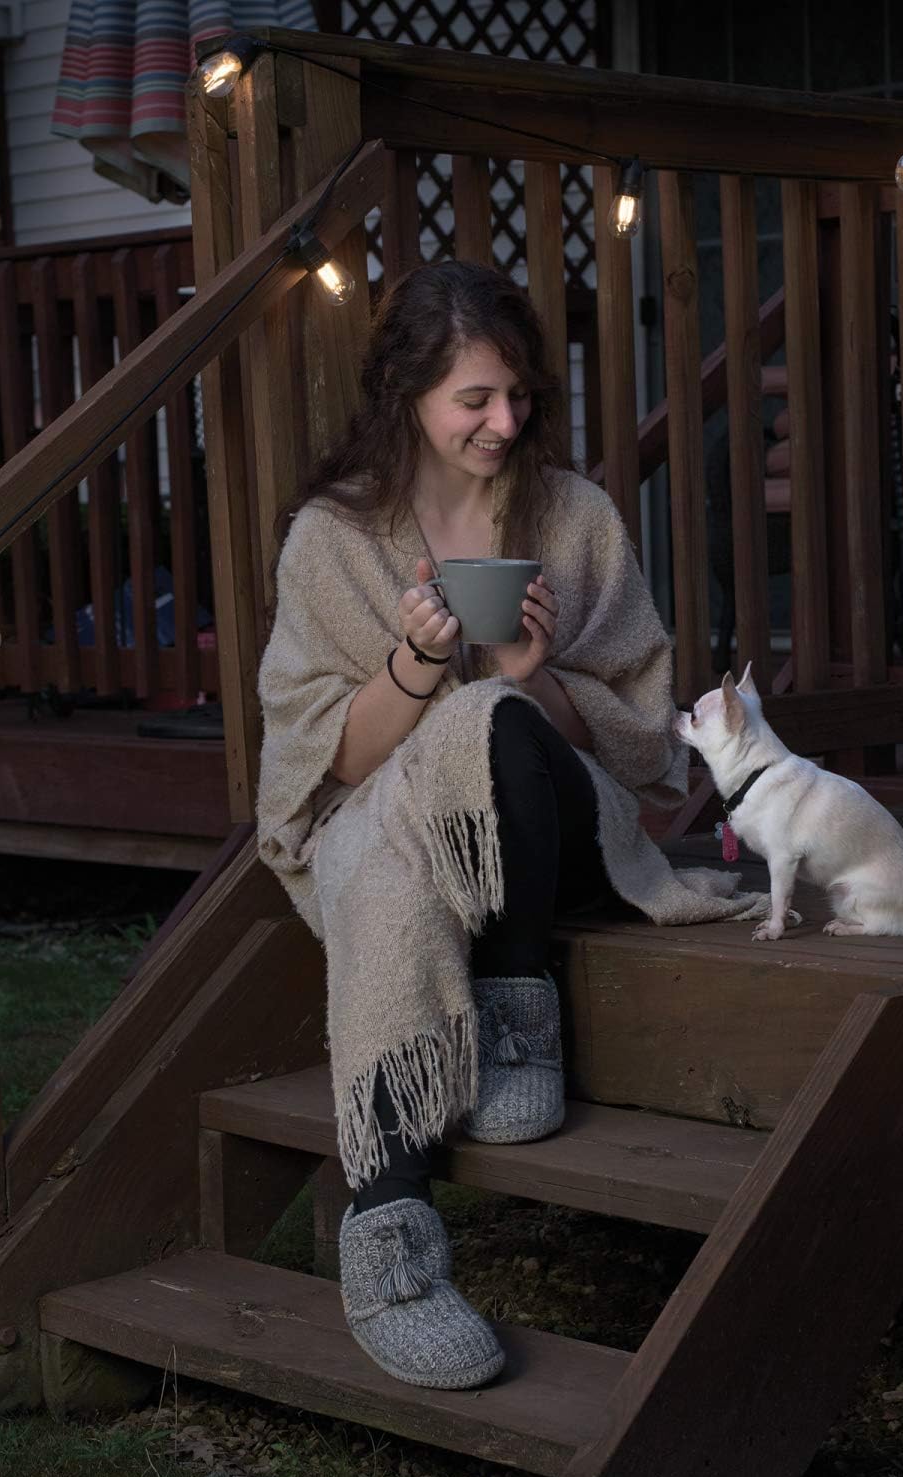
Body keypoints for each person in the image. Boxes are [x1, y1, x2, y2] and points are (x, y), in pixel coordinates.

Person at [255, 260, 755, 1392]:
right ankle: (392, 1238)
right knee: (391, 861)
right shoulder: (333, 539)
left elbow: (641, 741)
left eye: (518, 395)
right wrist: (415, 663)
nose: (503, 422)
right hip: (405, 836)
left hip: (563, 837)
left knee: (497, 716)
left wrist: (534, 671)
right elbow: (327, 765)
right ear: (407, 396)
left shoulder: (573, 517)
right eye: (473, 399)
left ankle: (514, 1008)